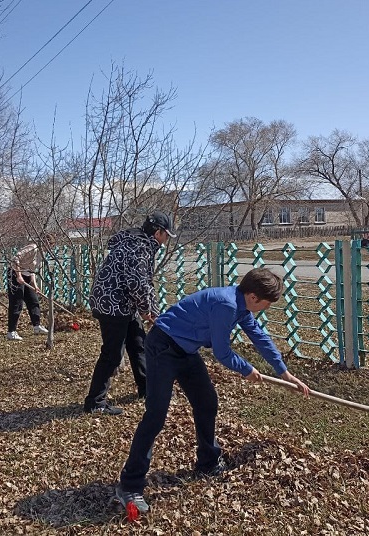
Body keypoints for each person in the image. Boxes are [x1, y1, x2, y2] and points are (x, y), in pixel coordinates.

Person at [113, 267, 311, 514]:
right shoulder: (226, 305)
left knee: (207, 401)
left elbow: (258, 336)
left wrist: (284, 372)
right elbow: (222, 351)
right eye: (267, 304)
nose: (266, 308)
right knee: (155, 415)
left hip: (185, 349)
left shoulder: (240, 305)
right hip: (163, 346)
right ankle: (130, 485)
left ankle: (207, 461)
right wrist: (246, 369)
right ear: (253, 297)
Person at [83, 211, 176, 415]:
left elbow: (141, 282)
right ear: (158, 232)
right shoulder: (140, 246)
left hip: (121, 302)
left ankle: (148, 389)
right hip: (113, 305)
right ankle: (95, 403)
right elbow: (138, 283)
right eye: (166, 235)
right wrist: (147, 310)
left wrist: (149, 309)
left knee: (138, 344)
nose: (166, 240)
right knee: (112, 354)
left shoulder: (135, 241)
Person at [6, 241, 50, 341]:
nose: (49, 248)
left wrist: (34, 285)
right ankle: (11, 332)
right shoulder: (32, 248)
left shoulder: (40, 254)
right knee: (17, 302)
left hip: (27, 276)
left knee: (33, 300)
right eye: (49, 245)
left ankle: (37, 326)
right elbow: (15, 259)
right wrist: (19, 276)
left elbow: (32, 271)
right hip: (15, 274)